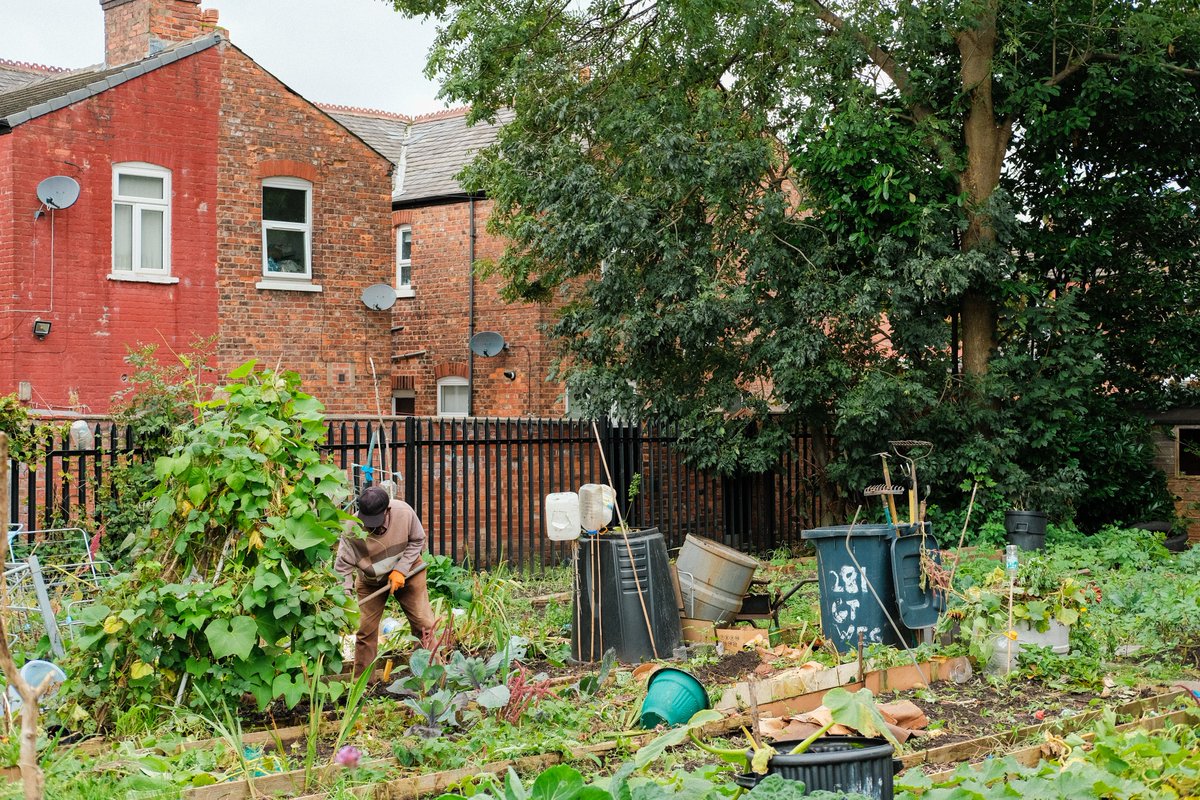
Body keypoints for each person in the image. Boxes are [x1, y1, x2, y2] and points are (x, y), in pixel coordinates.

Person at [335, 485, 436, 676]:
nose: (371, 527)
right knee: (365, 631)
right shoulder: (351, 529)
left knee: (424, 626)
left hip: (409, 574)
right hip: (371, 581)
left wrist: (400, 570)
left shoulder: (404, 512)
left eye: (376, 521)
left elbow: (417, 540)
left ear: (387, 510)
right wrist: (345, 598)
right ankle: (363, 685)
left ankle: (431, 677)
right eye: (367, 521)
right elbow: (342, 568)